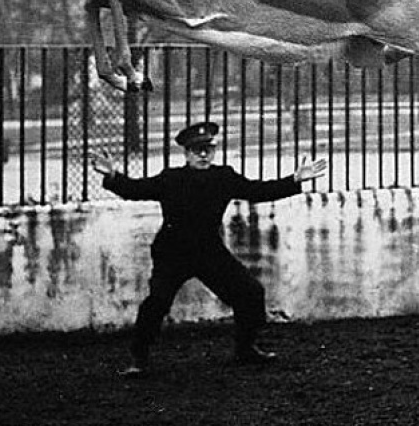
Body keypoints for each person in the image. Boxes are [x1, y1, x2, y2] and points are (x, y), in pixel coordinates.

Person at [90, 121, 327, 377]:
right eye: (197, 150)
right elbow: (135, 190)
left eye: (208, 149)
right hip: (173, 252)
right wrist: (112, 176)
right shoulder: (171, 178)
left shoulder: (223, 177)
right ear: (187, 153)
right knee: (157, 303)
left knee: (249, 291)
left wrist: (294, 180)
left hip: (208, 251)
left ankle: (246, 349)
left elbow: (258, 190)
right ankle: (139, 358)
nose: (203, 155)